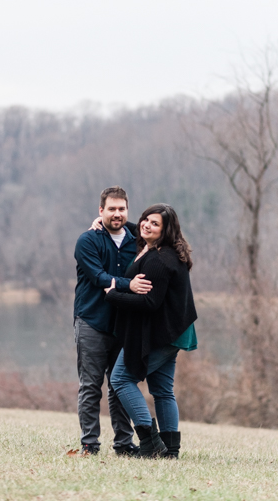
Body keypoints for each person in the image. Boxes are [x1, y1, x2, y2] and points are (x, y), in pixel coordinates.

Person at [104, 203, 197, 458]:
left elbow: (150, 302)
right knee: (162, 388)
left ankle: (151, 442)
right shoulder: (164, 249)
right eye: (145, 219)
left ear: (166, 231)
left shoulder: (158, 259)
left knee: (121, 379)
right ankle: (170, 450)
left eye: (155, 223)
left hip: (165, 331)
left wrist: (113, 295)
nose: (146, 225)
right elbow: (137, 230)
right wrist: (103, 223)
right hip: (174, 329)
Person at [73, 186, 152, 456]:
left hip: (124, 326)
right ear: (100, 211)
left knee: (119, 385)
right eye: (111, 209)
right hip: (92, 322)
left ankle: (123, 444)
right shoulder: (88, 240)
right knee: (91, 386)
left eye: (121, 209)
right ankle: (89, 444)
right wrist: (130, 285)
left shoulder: (136, 241)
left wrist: (130, 225)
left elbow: (158, 232)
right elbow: (98, 277)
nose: (116, 214)